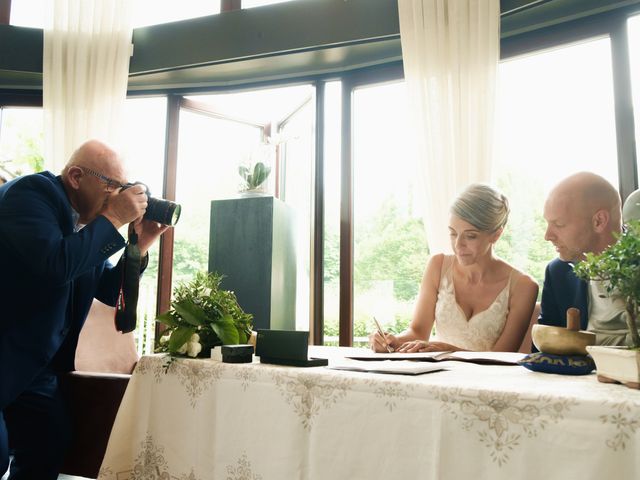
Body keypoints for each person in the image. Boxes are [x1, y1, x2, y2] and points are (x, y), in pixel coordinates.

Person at [0, 139, 168, 479]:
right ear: (76, 176)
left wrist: (141, 245)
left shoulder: (85, 225)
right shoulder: (30, 195)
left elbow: (106, 291)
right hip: (4, 353)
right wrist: (116, 216)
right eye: (112, 185)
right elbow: (56, 265)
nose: (118, 195)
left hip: (35, 367)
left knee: (50, 443)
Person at [369, 184, 539, 353]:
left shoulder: (523, 286)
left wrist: (448, 350)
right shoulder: (437, 266)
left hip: (487, 380)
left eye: (470, 236)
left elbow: (502, 358)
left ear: (496, 234)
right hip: (433, 376)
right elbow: (418, 332)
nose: (458, 245)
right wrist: (392, 341)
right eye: (453, 233)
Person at [539, 171, 627, 345]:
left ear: (599, 221)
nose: (547, 236)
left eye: (559, 224)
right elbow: (544, 352)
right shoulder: (557, 272)